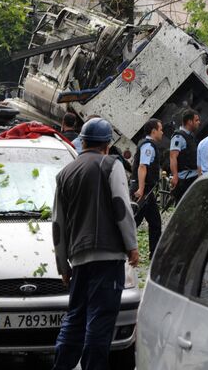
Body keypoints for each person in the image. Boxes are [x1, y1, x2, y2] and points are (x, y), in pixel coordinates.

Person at [52, 117, 139, 370]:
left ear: (84, 141)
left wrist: (62, 265)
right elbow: (122, 208)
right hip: (108, 257)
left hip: (78, 259)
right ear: (107, 145)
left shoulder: (64, 173)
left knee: (75, 319)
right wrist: (132, 245)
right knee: (99, 322)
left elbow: (58, 225)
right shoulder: (111, 165)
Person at [131, 118, 163, 258]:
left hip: (146, 191)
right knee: (134, 221)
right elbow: (142, 167)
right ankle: (121, 248)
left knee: (154, 222)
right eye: (160, 129)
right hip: (143, 191)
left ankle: (154, 253)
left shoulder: (149, 144)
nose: (162, 132)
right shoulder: (148, 146)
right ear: (154, 130)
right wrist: (142, 189)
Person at [169, 108, 201, 203]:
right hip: (185, 179)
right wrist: (175, 176)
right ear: (189, 122)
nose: (199, 122)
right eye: (196, 120)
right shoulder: (178, 137)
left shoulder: (190, 136)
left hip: (193, 176)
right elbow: (173, 156)